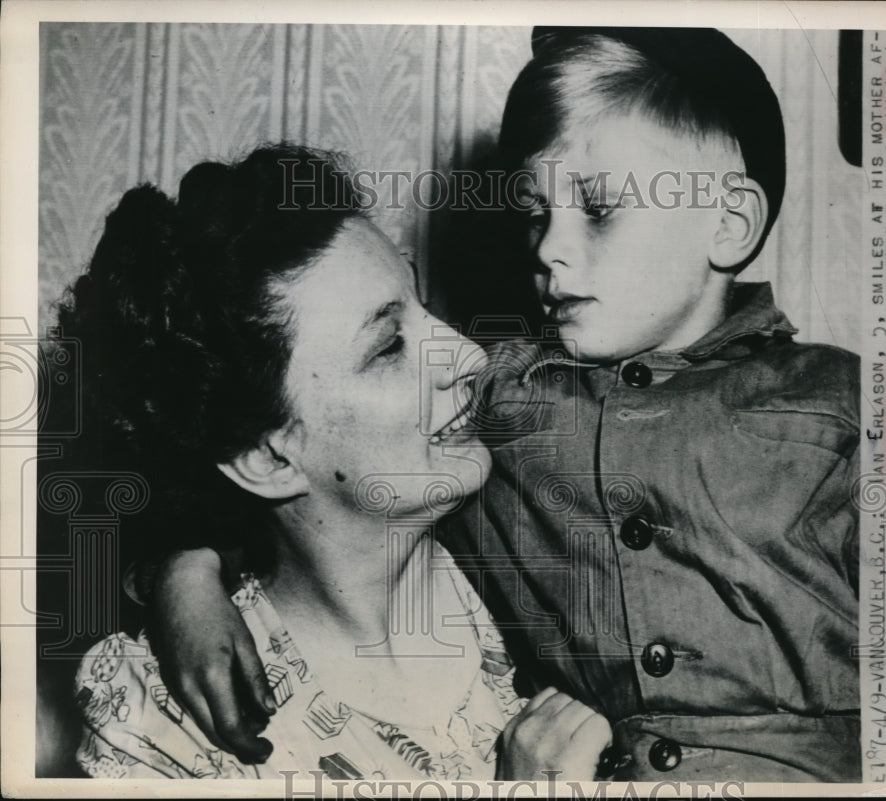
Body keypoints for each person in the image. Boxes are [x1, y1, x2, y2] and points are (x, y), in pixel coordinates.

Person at [145, 27, 862, 783]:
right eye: (534, 212)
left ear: (728, 222)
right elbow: (253, 451)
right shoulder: (492, 398)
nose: (549, 247)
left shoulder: (838, 403)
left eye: (597, 206)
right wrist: (184, 574)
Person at [62, 144, 612, 780]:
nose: (468, 355)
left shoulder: (541, 533)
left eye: (423, 305)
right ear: (267, 457)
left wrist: (181, 568)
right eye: (388, 347)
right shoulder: (157, 724)